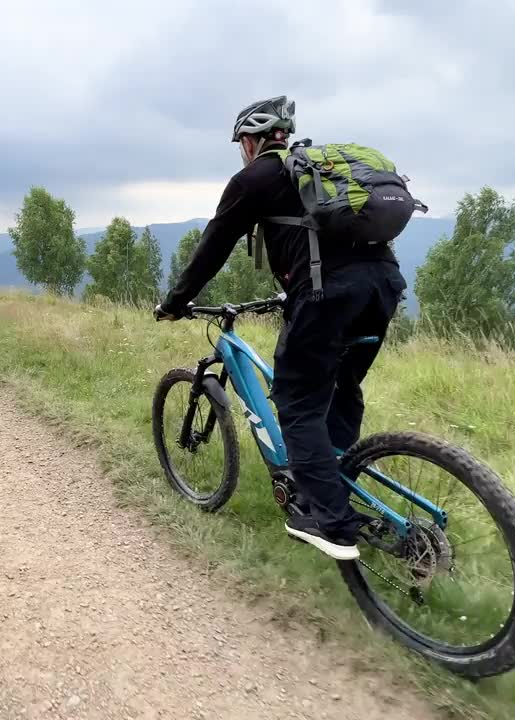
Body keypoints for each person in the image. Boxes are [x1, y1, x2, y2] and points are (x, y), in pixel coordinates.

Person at [154, 96, 408, 560]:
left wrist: (175, 303)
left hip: (328, 294)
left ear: (250, 142)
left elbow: (213, 247)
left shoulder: (254, 178)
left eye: (240, 144)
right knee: (341, 388)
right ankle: (330, 484)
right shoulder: (316, 172)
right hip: (382, 287)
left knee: (295, 402)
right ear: (283, 136)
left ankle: (331, 523)